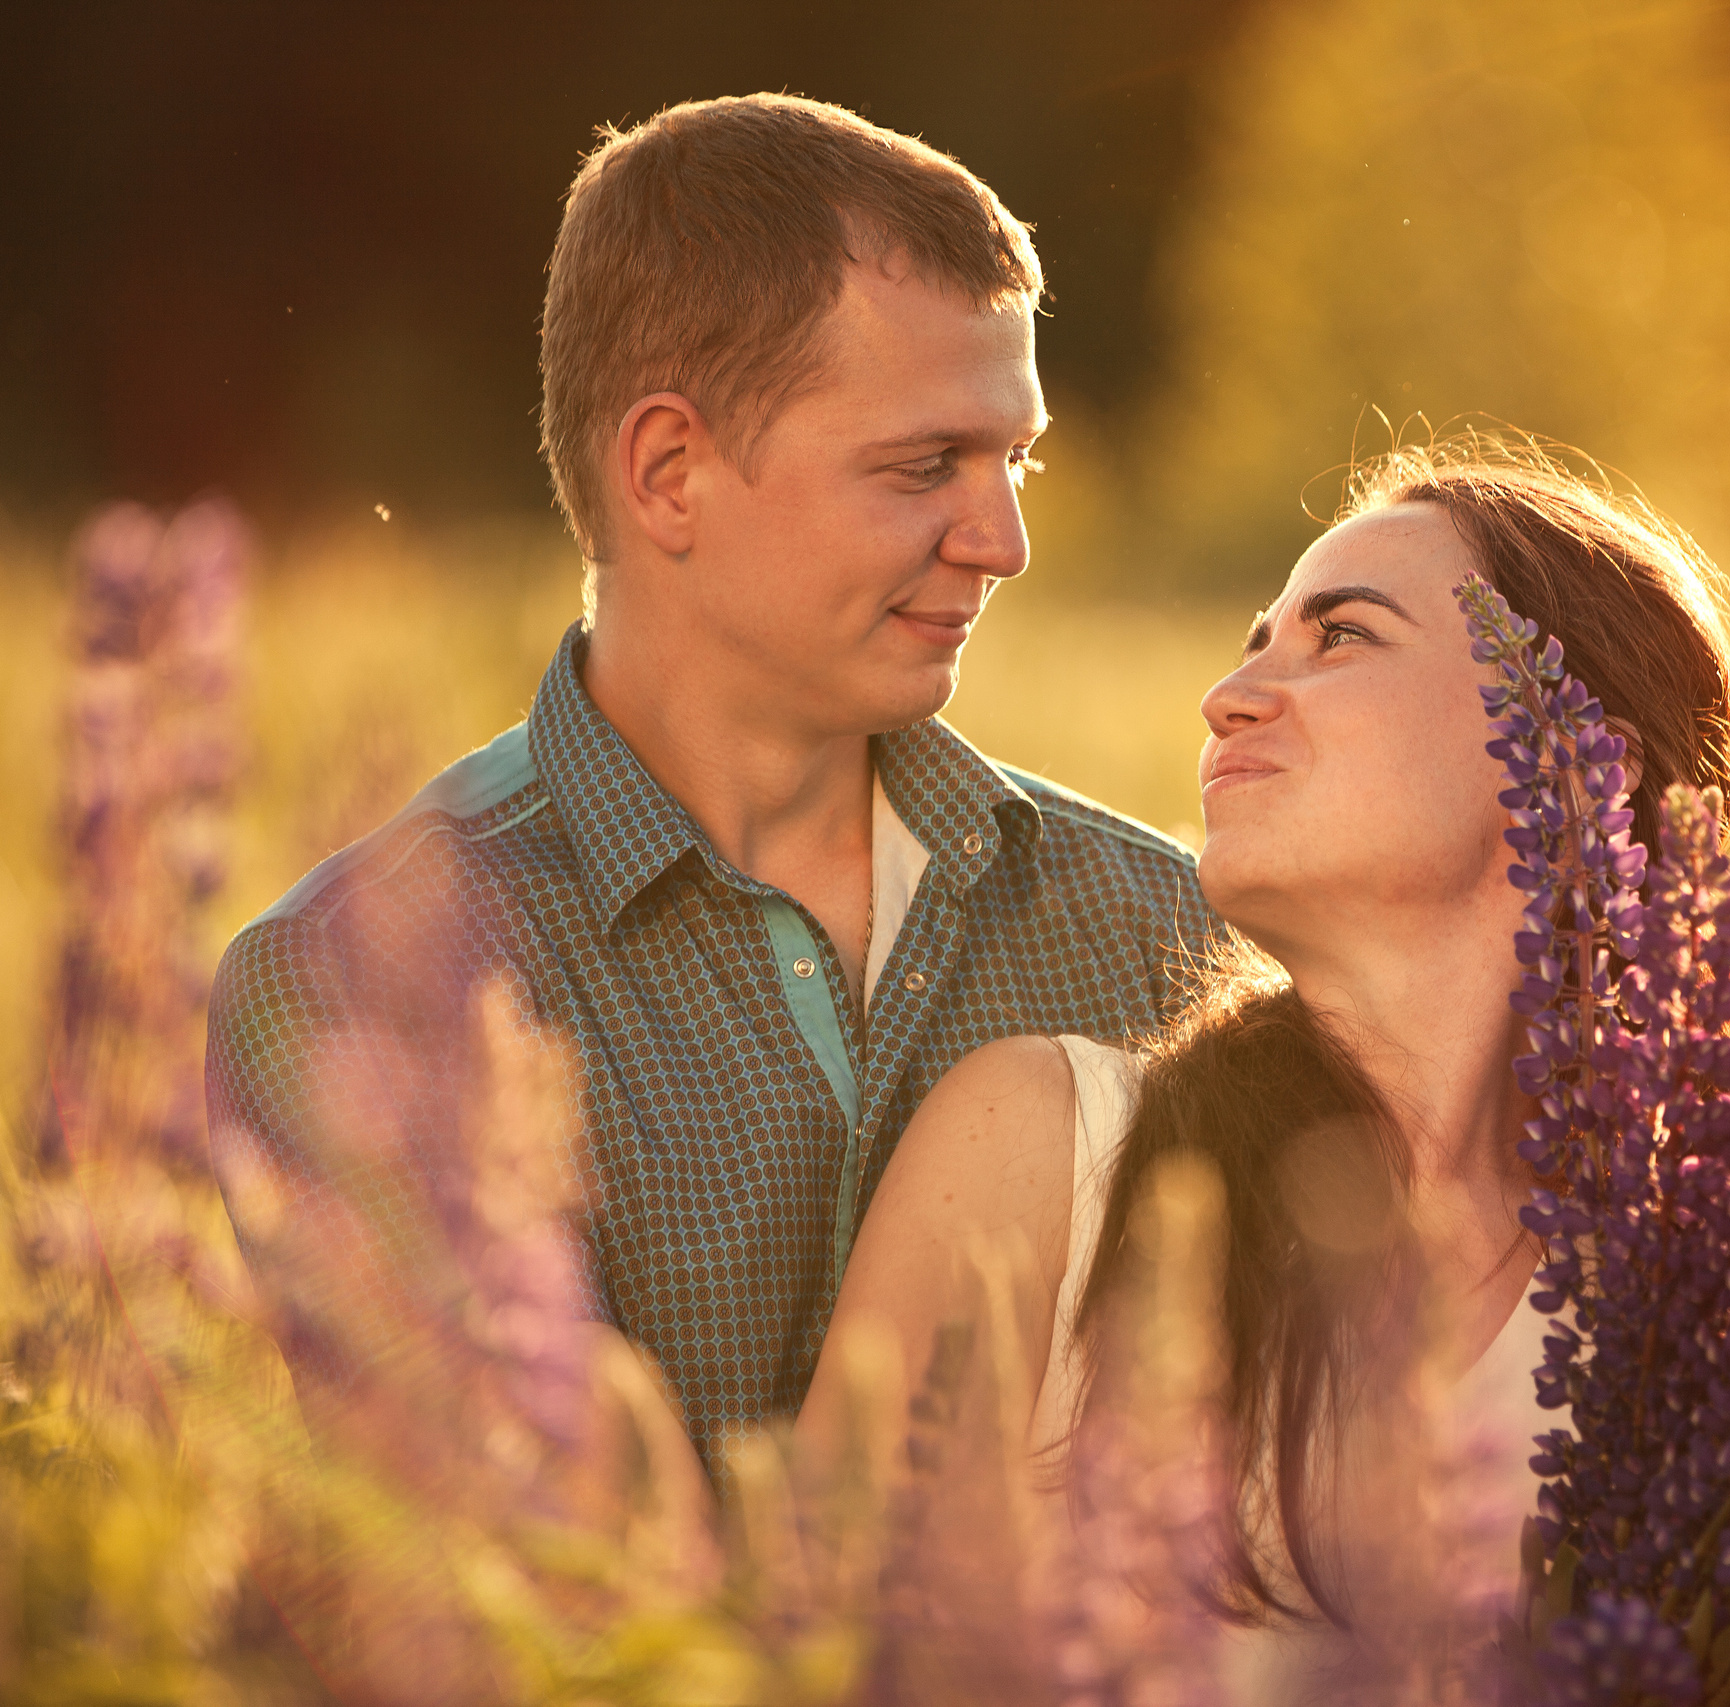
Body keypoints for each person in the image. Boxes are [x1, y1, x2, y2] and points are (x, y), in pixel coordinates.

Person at [806, 442, 1730, 1707]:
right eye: (1255, 641)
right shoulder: (1051, 1151)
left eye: (1341, 635)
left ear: (1584, 765)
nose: (1231, 695)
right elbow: (784, 1667)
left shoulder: (1719, 1311)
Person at [205, 94, 1213, 1462]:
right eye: (928, 465)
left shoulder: (1163, 925)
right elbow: (507, 1579)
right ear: (671, 473)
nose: (1005, 540)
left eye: (1015, 459)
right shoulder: (347, 982)